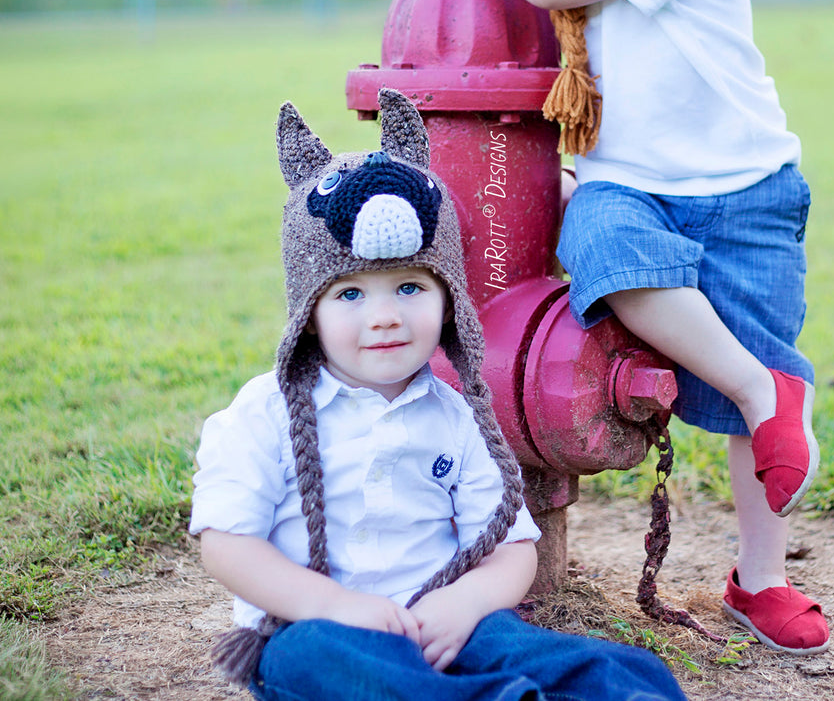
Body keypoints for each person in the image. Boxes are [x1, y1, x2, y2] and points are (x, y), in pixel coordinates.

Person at [414, 0, 828, 656]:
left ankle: (760, 576)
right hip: (631, 180)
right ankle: (759, 390)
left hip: (743, 185)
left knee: (758, 393)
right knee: (602, 247)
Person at [190, 89, 688, 701]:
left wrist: (464, 603)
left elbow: (512, 549)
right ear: (308, 313)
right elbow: (227, 543)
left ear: (448, 301)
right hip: (322, 628)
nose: (384, 316)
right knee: (308, 659)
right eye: (349, 294)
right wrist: (336, 606)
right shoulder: (263, 414)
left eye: (410, 287)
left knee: (594, 663)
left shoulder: (455, 416)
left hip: (446, 623)